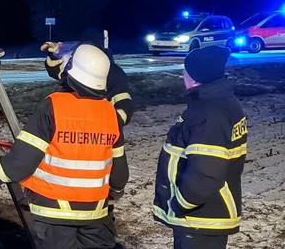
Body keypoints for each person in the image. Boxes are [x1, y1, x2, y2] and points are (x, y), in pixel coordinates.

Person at [0, 44, 128, 249]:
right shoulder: (110, 113)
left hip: (53, 215)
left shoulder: (53, 106)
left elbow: (22, 161)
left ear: (71, 71)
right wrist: (116, 193)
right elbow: (119, 172)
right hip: (96, 215)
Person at [152, 46, 245, 249]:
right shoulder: (223, 103)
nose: (182, 76)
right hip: (206, 214)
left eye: (185, 72)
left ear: (194, 77)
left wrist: (181, 203)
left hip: (200, 216)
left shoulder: (208, 114)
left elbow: (206, 173)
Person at [42, 28, 136, 125]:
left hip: (94, 125)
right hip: (76, 124)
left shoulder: (113, 72)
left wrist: (114, 124)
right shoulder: (80, 65)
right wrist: (54, 54)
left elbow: (123, 103)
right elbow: (57, 70)